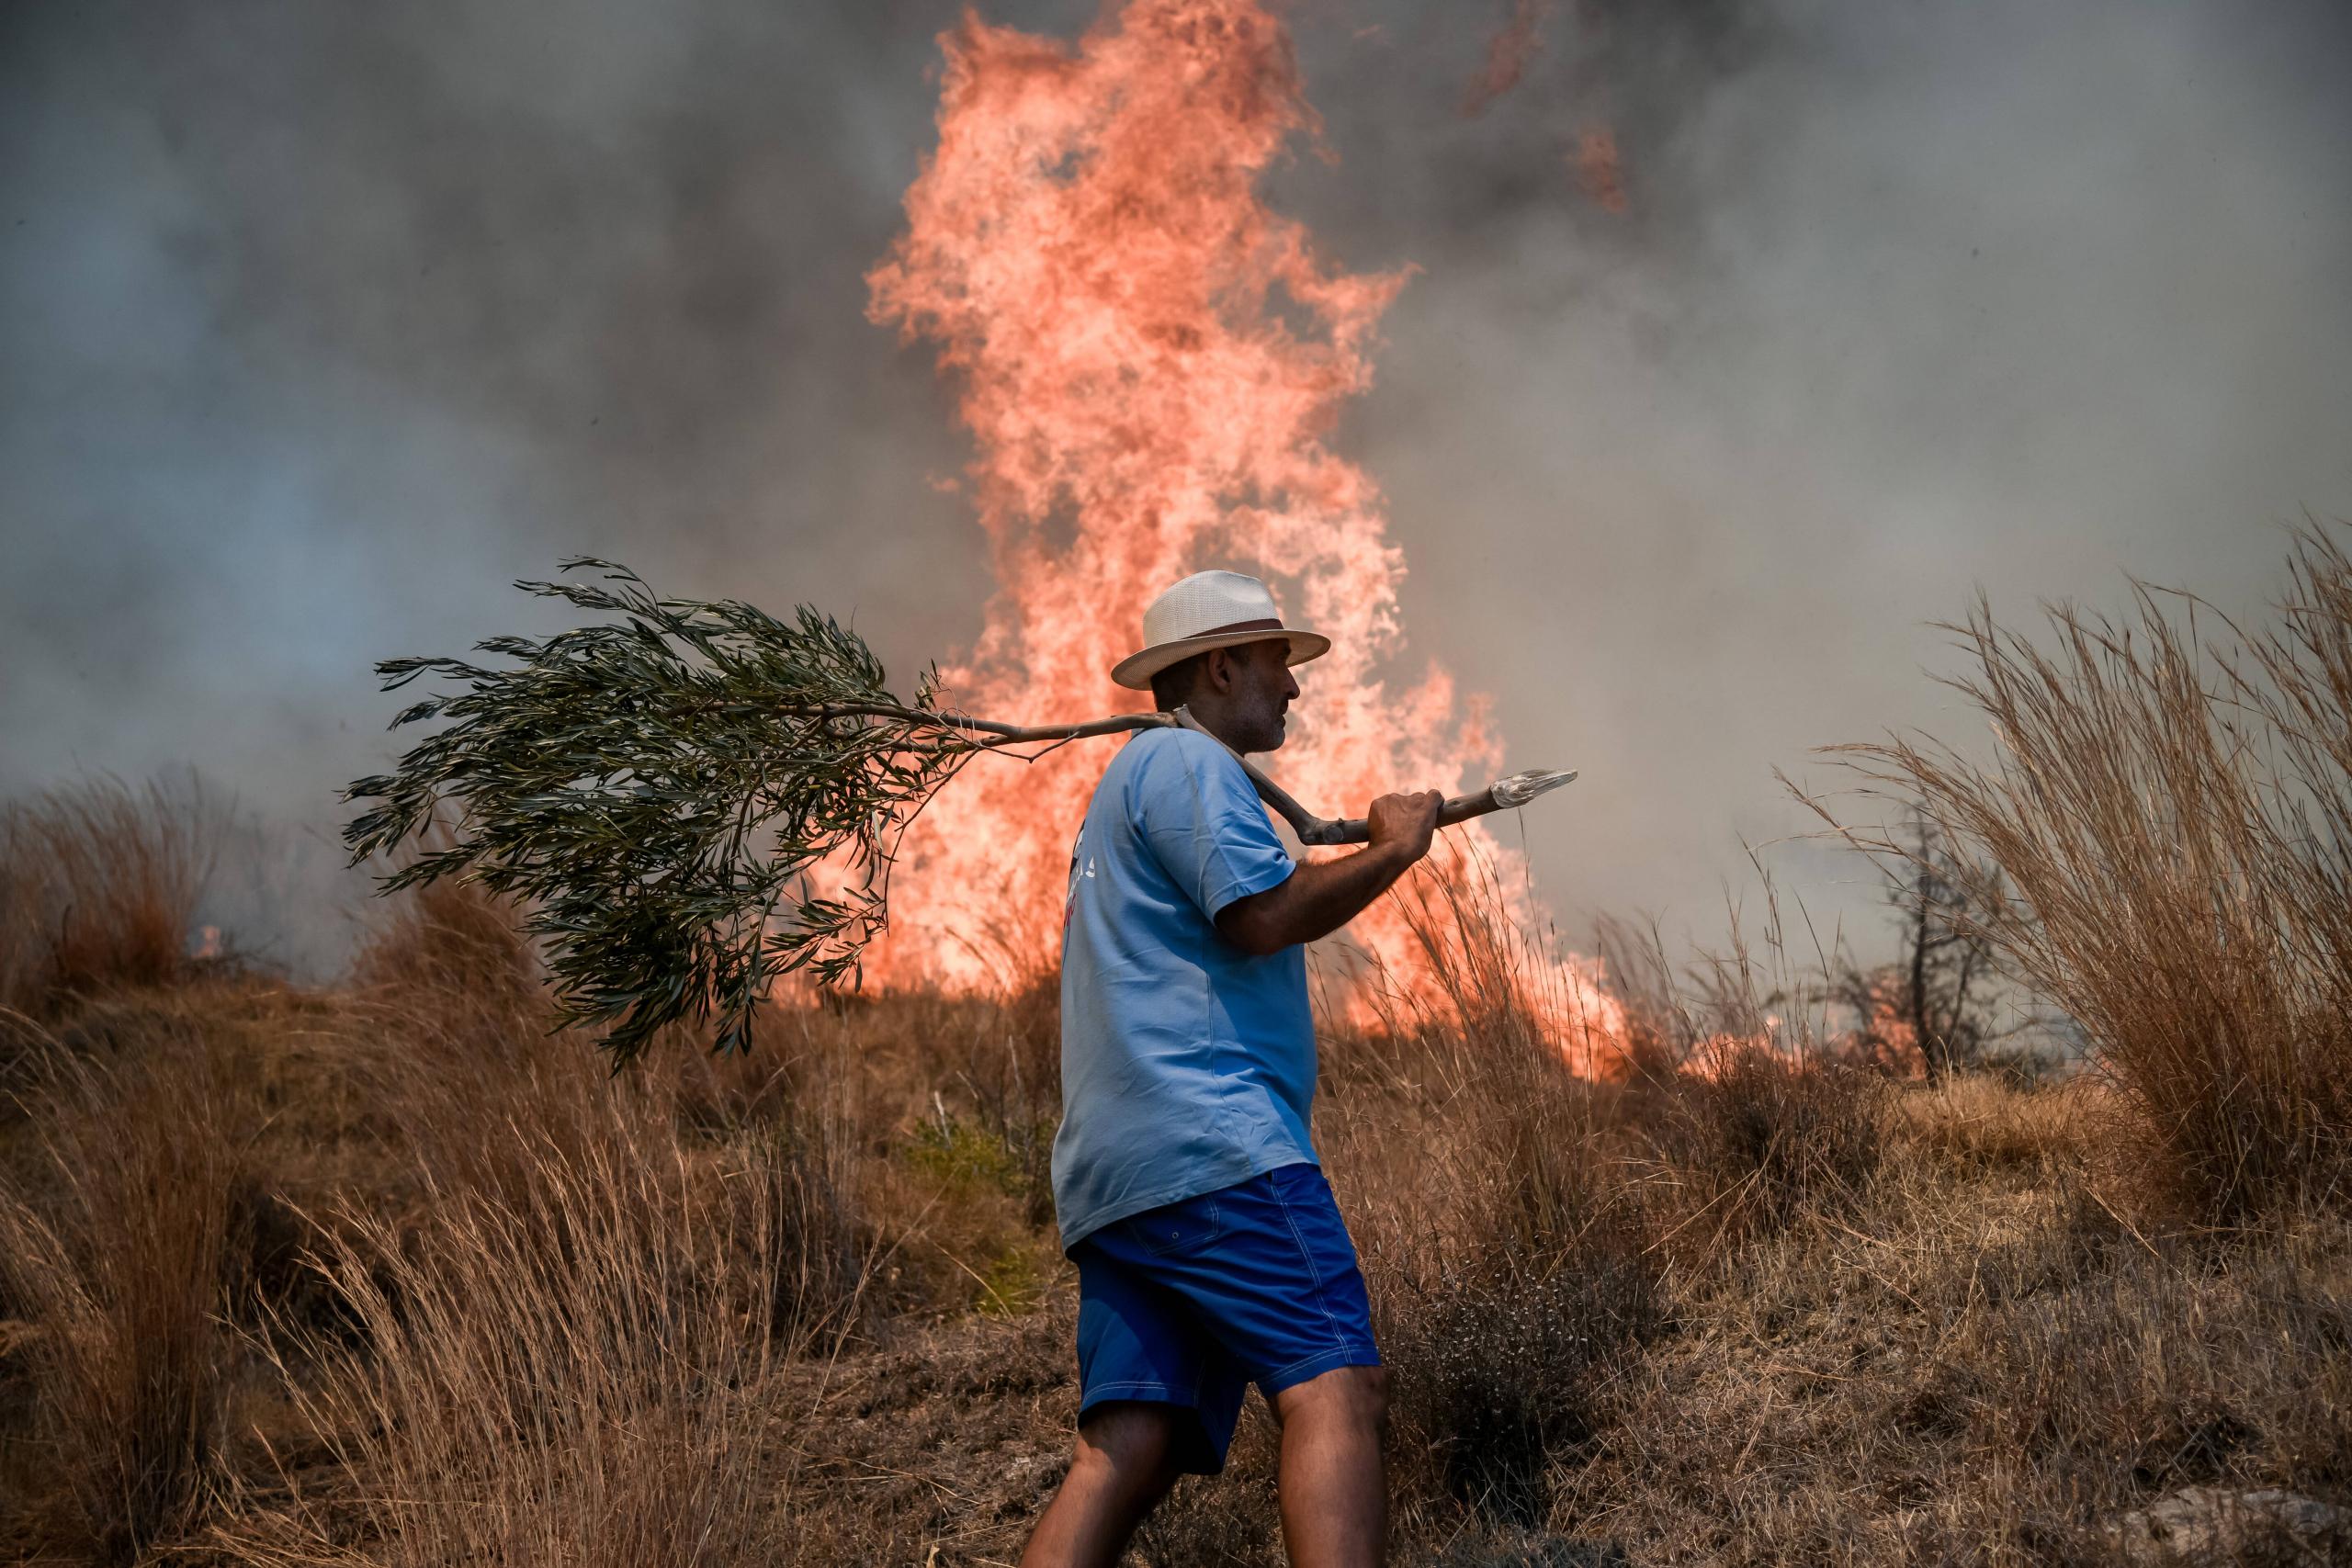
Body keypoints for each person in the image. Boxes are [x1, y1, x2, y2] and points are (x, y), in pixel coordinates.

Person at [1020, 570, 1444, 1568]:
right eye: (1273, 665)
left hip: (1118, 1176)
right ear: (1218, 667)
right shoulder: (1184, 768)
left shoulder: (1123, 788)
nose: (1291, 689)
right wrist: (1391, 854)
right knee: (1337, 1385)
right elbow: (1259, 918)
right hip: (1213, 1146)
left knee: (1131, 1443)